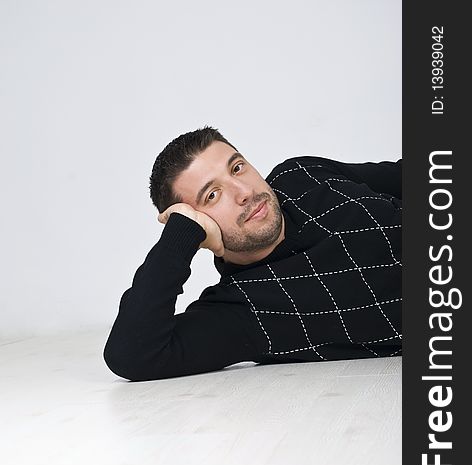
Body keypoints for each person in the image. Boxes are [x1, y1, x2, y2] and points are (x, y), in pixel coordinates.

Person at [104, 126, 402, 381]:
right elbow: (132, 354)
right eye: (212, 195)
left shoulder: (301, 175)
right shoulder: (242, 310)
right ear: (198, 223)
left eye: (237, 168)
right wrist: (180, 235)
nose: (243, 191)